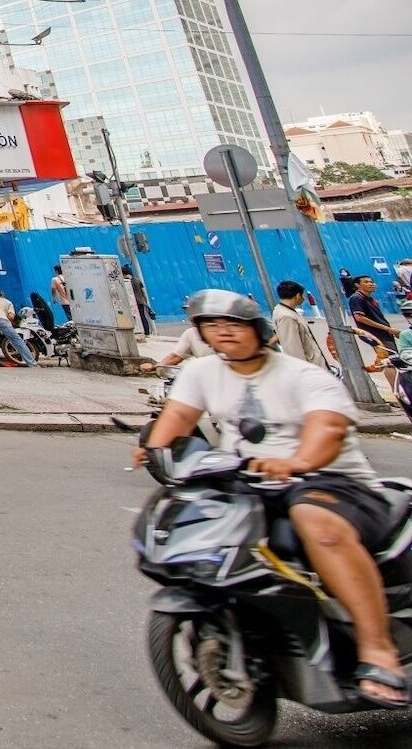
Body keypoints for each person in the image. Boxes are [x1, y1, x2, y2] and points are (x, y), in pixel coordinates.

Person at [141, 290, 405, 708]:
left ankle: (378, 650)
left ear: (258, 330)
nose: (223, 333)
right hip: (247, 484)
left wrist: (298, 462)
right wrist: (155, 449)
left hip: (331, 483)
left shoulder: (304, 377)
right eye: (211, 326)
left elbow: (329, 430)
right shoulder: (201, 372)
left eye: (233, 325)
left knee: (312, 519)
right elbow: (176, 418)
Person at [273, 280, 330, 369]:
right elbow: (293, 349)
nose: (303, 298)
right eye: (302, 296)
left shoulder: (286, 311)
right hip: (311, 369)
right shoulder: (286, 316)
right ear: (298, 296)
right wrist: (305, 372)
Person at [0, 289, 36, 367]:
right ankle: (32, 363)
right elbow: (11, 316)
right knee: (16, 339)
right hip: (0, 318)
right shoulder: (7, 302)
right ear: (2, 296)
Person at [345, 275, 398, 350]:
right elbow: (360, 318)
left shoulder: (370, 298)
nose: (371, 284)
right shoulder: (357, 298)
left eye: (372, 282)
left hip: (384, 333)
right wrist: (387, 328)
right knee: (391, 358)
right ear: (357, 285)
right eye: (366, 282)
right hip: (376, 335)